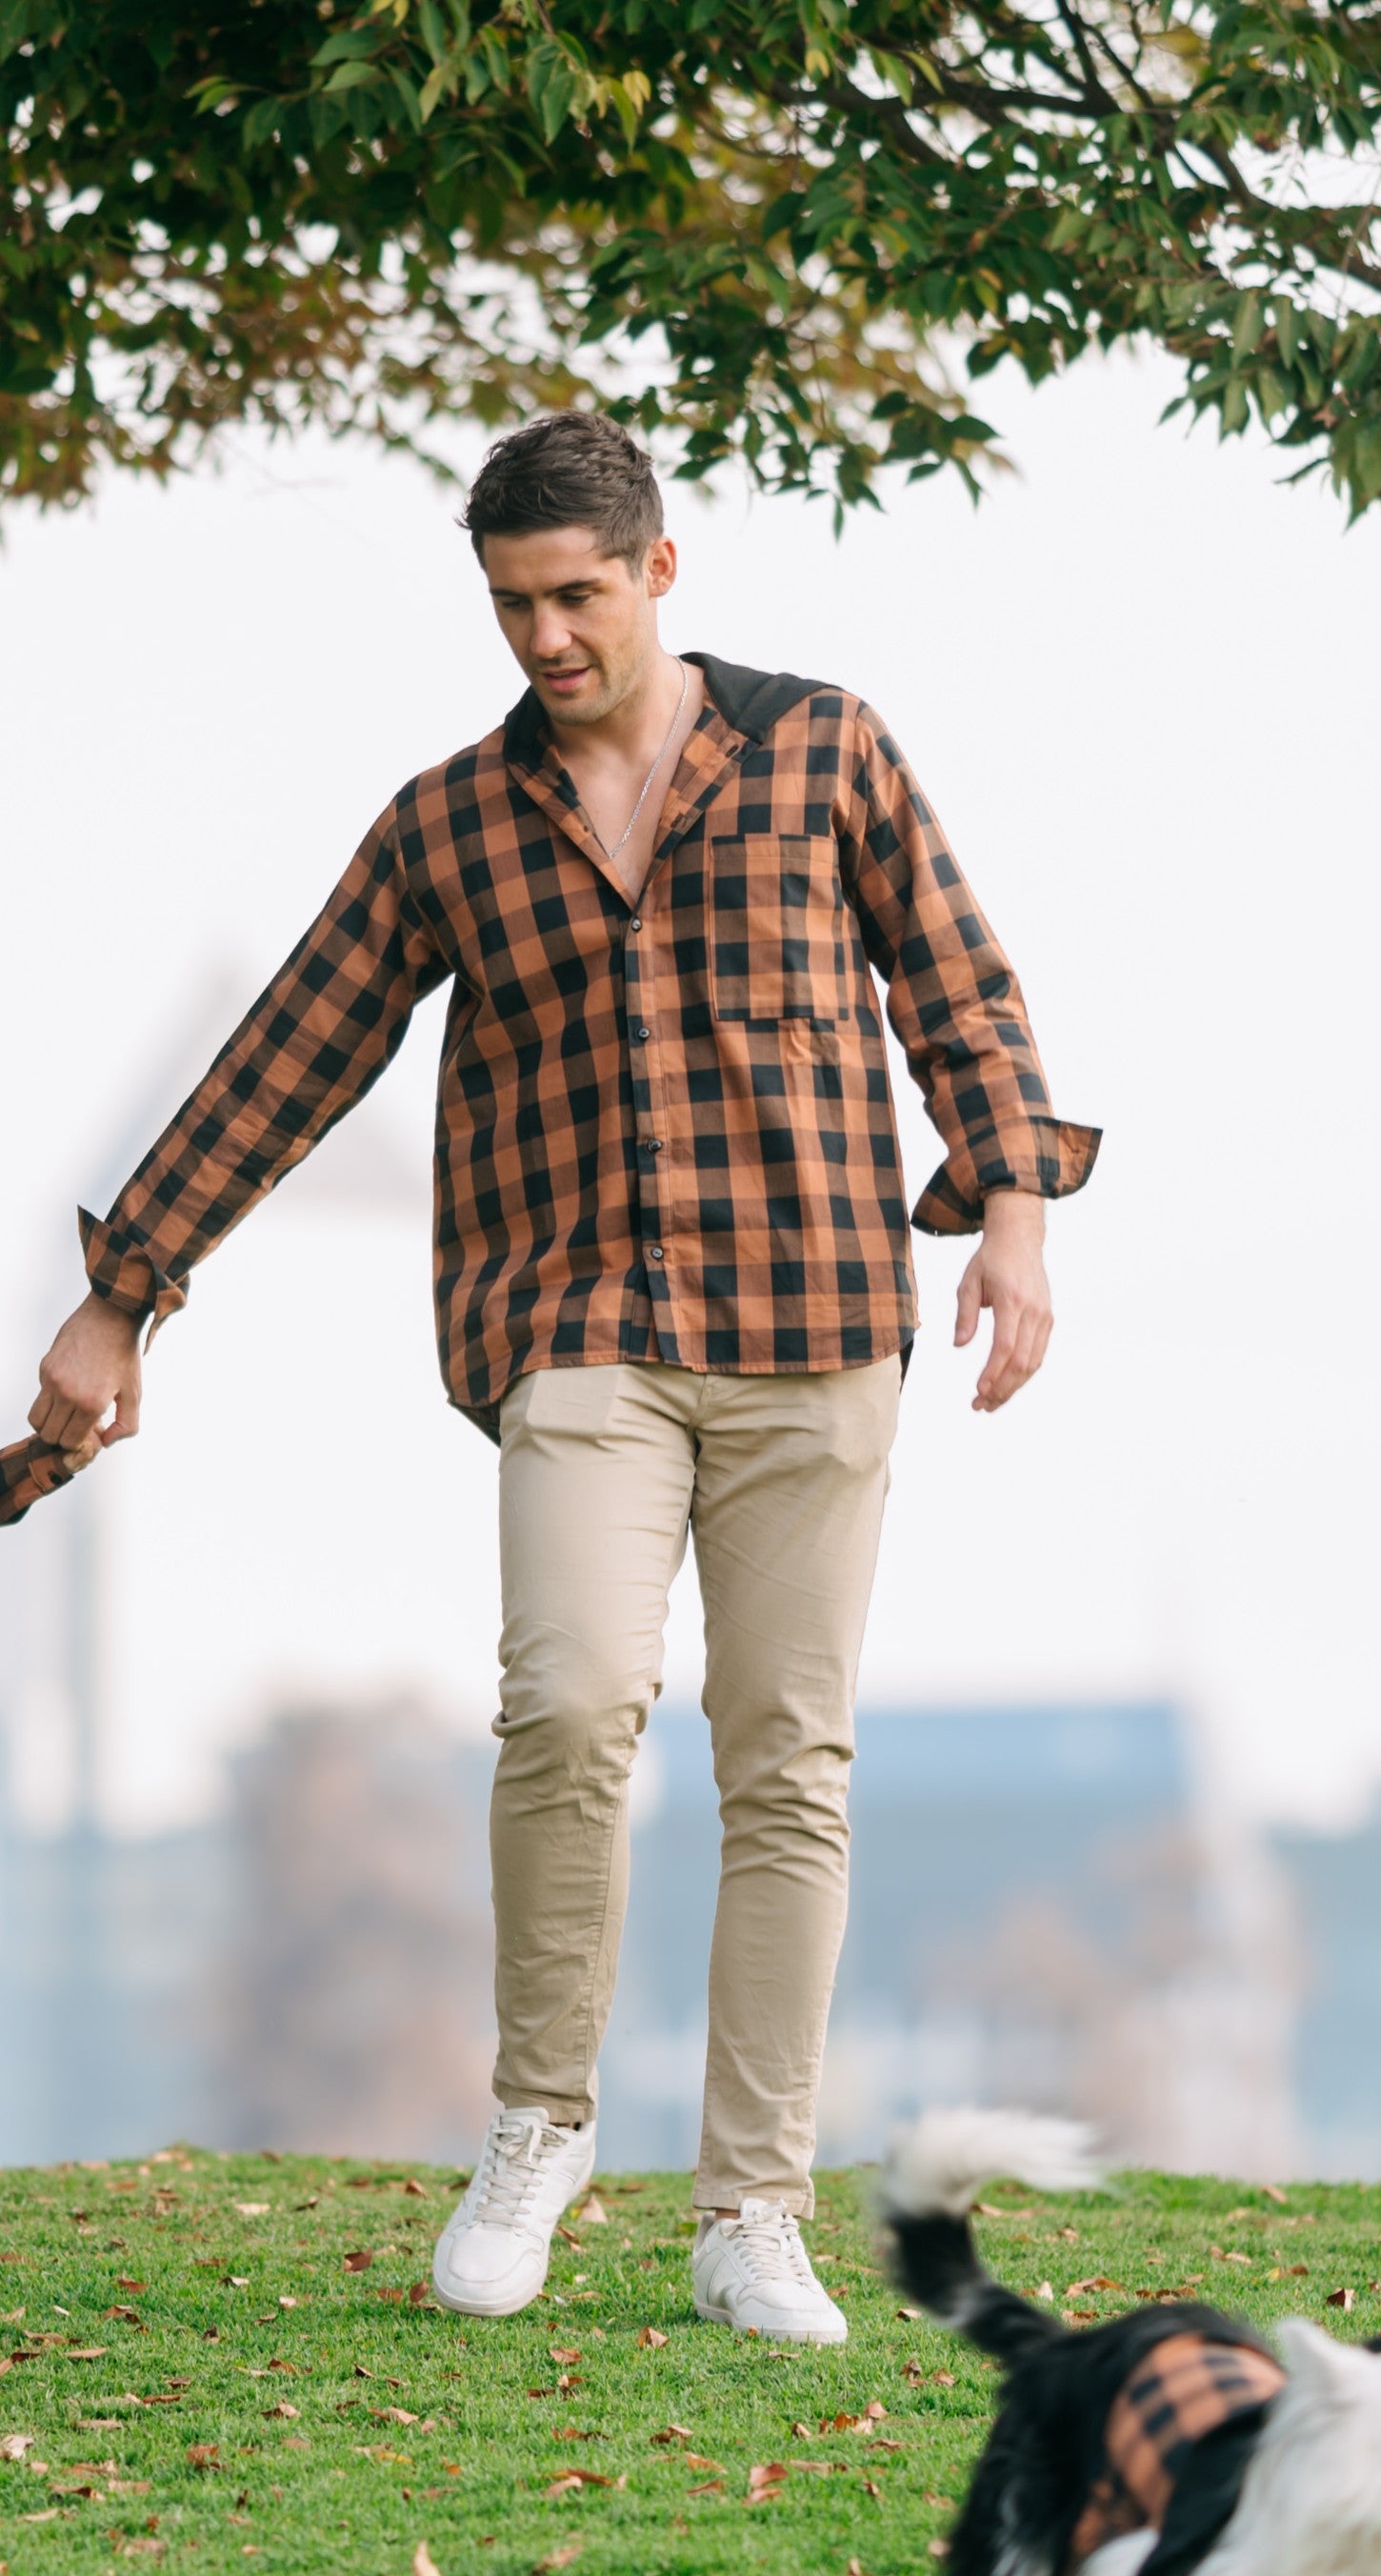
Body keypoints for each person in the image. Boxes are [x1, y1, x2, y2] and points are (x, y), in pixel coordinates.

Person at [28, 413, 1097, 2343]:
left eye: (577, 597)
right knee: (573, 1698)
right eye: (513, 606)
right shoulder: (448, 824)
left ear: (661, 570)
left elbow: (960, 983)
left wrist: (1012, 1213)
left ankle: (751, 2207)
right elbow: (290, 1055)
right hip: (576, 1329)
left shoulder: (825, 749)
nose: (545, 639)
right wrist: (126, 1292)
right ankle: (539, 2123)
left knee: (791, 1764)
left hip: (817, 1327)